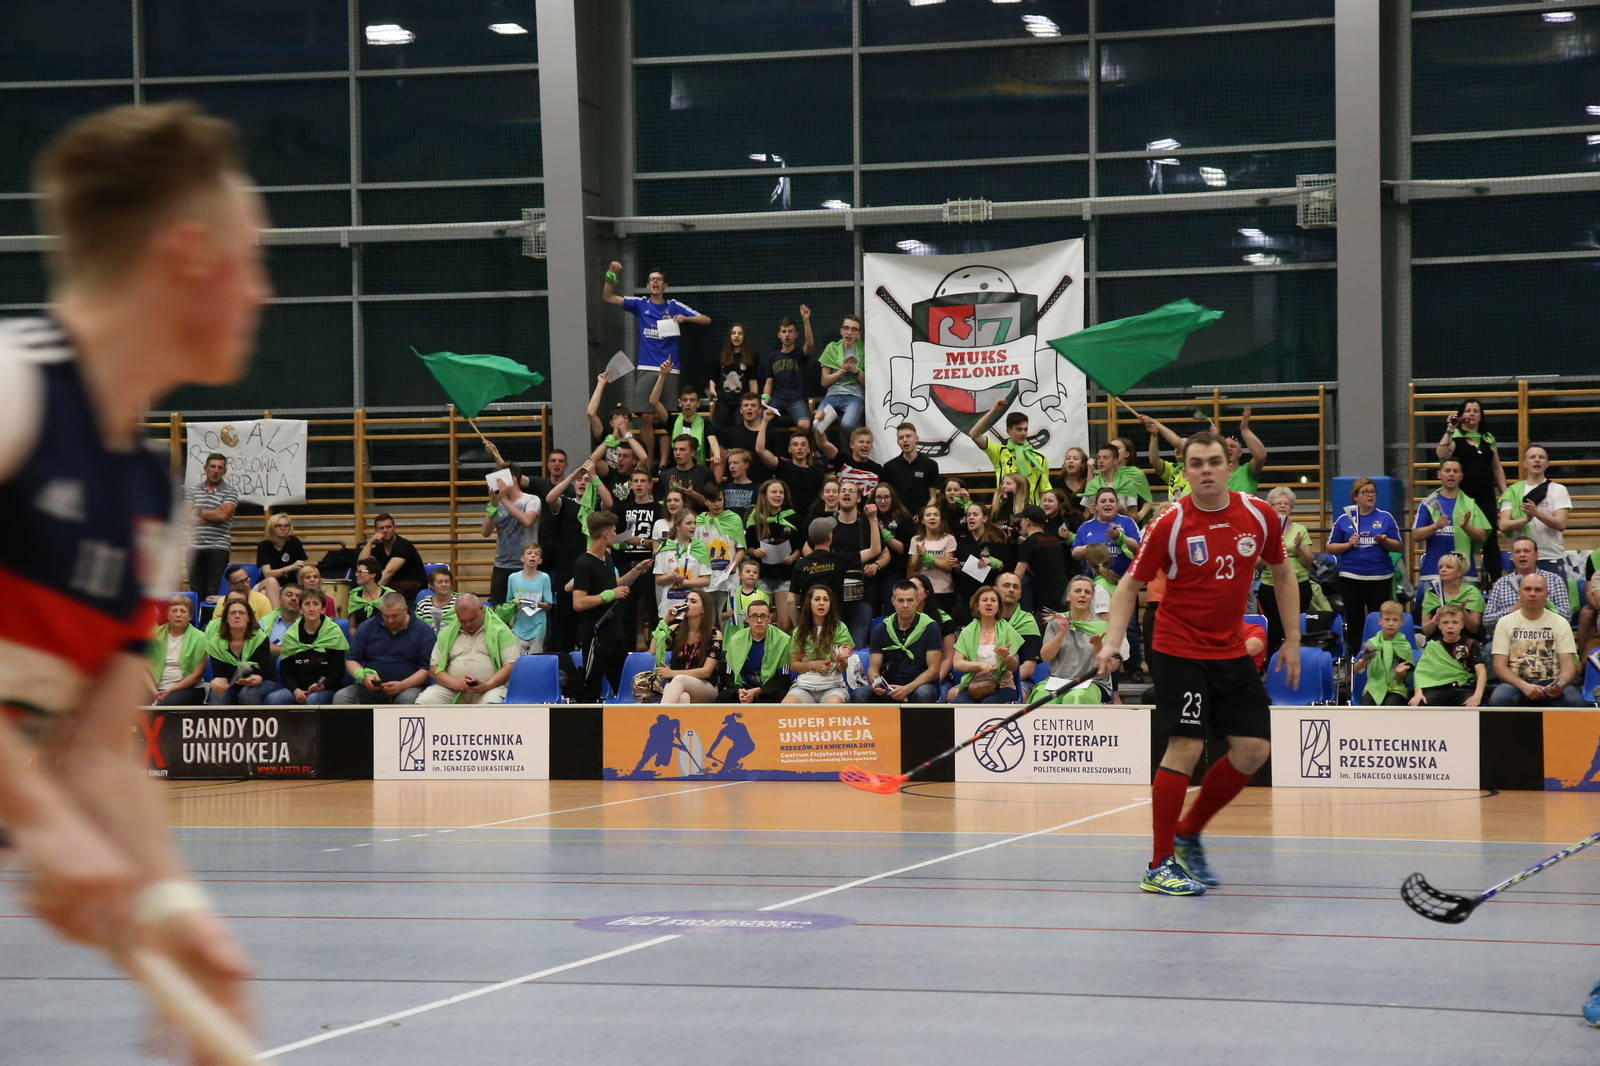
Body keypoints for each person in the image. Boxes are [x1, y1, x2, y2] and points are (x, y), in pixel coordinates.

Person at [0, 101, 262, 1045]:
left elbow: (96, 751)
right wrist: (39, 815)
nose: (262, 294)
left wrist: (172, 908)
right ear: (188, 253)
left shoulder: (153, 501)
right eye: (253, 259)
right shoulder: (14, 388)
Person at [1095, 431, 1298, 897]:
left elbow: (1284, 574)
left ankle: (1188, 832)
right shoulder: (1169, 522)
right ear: (1184, 472)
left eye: (1214, 462)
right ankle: (1159, 863)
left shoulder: (1260, 515)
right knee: (1185, 745)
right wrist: (1111, 643)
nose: (1206, 470)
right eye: (1196, 463)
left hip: (1229, 647)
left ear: (1229, 466)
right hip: (1177, 645)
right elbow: (1129, 585)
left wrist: (1292, 638)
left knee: (1253, 749)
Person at [600, 262, 710, 419]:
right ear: (647, 285)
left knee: (668, 416)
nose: (655, 282)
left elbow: (706, 320)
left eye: (659, 279)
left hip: (670, 368)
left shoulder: (674, 306)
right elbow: (608, 297)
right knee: (646, 416)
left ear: (665, 285)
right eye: (652, 279)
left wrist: (685, 318)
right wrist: (611, 273)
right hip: (647, 366)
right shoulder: (640, 304)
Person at [571, 511, 655, 703]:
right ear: (606, 533)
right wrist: (610, 595)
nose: (617, 535)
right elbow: (579, 602)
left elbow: (614, 585)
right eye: (615, 531)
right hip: (595, 633)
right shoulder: (584, 563)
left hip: (614, 632)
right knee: (591, 687)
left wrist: (635, 571)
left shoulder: (607, 558)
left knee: (624, 684)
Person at [1325, 477, 1403, 657]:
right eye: (1365, 492)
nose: (1370, 495)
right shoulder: (1344, 519)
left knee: (1379, 621)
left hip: (1379, 578)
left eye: (1373, 492)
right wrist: (1348, 545)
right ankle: (1354, 660)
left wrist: (1384, 541)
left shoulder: (1385, 517)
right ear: (1355, 496)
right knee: (1355, 621)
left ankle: (1380, 657)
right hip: (1351, 578)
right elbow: (1330, 547)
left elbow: (1397, 545)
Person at [1435, 398, 1506, 582]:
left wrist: (1505, 496)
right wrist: (1450, 428)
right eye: (1468, 410)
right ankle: (1458, 581)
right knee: (1462, 538)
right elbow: (1441, 454)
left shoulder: (1488, 438)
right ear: (1461, 415)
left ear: (1481, 416)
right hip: (1462, 499)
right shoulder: (1455, 436)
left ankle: (1496, 584)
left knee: (1491, 542)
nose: (1472, 414)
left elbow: (1497, 468)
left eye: (1476, 411)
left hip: (1486, 497)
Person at [1488, 571, 1582, 706]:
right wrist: (1524, 686)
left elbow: (1568, 668)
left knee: (1574, 699)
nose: (1532, 594)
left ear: (1547, 594)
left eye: (1538, 590)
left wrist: (1559, 685)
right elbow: (1499, 666)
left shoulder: (1561, 623)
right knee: (1499, 697)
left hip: (1552, 682)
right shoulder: (1505, 622)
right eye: (1527, 589)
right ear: (1520, 592)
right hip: (1516, 684)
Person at [792, 514, 882, 648]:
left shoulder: (800, 564)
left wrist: (798, 626)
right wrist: (873, 519)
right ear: (830, 537)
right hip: (833, 626)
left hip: (809, 627)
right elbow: (875, 550)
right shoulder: (838, 560)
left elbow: (790, 600)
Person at [334, 592, 435, 704]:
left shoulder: (423, 630)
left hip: (409, 687)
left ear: (405, 610)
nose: (390, 620)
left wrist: (403, 685)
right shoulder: (367, 627)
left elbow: (427, 669)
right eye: (386, 616)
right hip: (372, 688)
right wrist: (364, 677)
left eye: (395, 616)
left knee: (408, 699)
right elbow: (352, 660)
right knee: (342, 697)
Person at [417, 594, 515, 705]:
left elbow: (510, 665)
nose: (468, 624)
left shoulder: (501, 631)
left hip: (490, 688)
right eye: (463, 621)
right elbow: (434, 669)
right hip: (452, 689)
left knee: (491, 703)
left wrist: (488, 685)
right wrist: (454, 683)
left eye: (472, 619)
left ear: (481, 609)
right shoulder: (447, 634)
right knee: (425, 700)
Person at [854, 581, 942, 704]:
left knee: (924, 693)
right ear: (893, 601)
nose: (905, 605)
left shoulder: (930, 627)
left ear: (917, 601)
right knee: (859, 694)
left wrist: (907, 689)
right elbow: (873, 668)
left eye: (910, 600)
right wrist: (876, 683)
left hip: (918, 686)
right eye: (900, 600)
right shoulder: (881, 628)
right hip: (889, 687)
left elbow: (934, 670)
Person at [1410, 457, 1487, 590]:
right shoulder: (1428, 503)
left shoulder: (1470, 504)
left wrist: (1466, 527)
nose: (1451, 474)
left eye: (1455, 471)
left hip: (1464, 574)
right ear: (1439, 474)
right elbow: (1416, 535)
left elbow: (1482, 536)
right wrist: (1435, 526)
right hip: (1433, 573)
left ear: (1461, 476)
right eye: (1447, 471)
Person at [1497, 443, 1571, 581]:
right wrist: (1526, 519)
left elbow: (1561, 524)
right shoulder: (1513, 491)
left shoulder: (1558, 489)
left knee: (1555, 596)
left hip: (1550, 558)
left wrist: (1536, 513)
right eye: (1532, 457)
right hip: (1520, 559)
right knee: (1518, 596)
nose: (1537, 460)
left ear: (1547, 464)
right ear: (1524, 463)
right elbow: (1503, 525)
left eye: (1541, 457)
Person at [1259, 486, 1316, 657]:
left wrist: (1298, 548)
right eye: (1279, 503)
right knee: (1275, 628)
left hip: (1299, 584)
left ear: (1292, 507)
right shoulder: (1264, 530)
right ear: (1271, 507)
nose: (1283, 506)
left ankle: (1296, 662)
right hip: (1270, 585)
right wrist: (1272, 549)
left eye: (1287, 503)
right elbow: (1256, 563)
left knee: (1295, 628)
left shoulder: (1300, 530)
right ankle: (1273, 664)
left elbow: (1308, 562)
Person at [1038, 576, 1115, 704]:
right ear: (1068, 596)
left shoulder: (1102, 626)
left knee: (1075, 697)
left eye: (1087, 592)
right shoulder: (1056, 622)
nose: (1082, 595)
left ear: (1092, 598)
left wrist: (1097, 645)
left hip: (1092, 682)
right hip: (1057, 681)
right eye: (1078, 591)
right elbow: (1045, 657)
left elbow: (1104, 666)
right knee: (1040, 696)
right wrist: (1061, 633)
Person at [269, 593, 346, 706]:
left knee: (313, 699)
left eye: (316, 604)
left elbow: (338, 670)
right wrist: (296, 690)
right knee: (274, 699)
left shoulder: (334, 633)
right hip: (298, 689)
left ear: (323, 609)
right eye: (307, 604)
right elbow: (285, 671)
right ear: (301, 609)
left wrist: (322, 685)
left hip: (327, 688)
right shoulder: (291, 634)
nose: (311, 608)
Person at [1483, 536, 1571, 634]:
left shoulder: (1554, 580)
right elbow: (1487, 621)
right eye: (1517, 552)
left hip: (1546, 634)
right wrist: (1511, 610)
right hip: (1511, 634)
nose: (1522, 555)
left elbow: (1567, 616)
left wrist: (1545, 606)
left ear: (1536, 556)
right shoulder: (1501, 583)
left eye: (1526, 551)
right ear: (1512, 557)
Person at [783, 584, 855, 704]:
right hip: (804, 687)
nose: (821, 603)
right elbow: (794, 666)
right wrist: (812, 664)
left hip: (832, 687)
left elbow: (842, 668)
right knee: (787, 705)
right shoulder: (799, 631)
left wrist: (841, 660)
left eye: (825, 600)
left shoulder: (840, 628)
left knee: (833, 704)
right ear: (809, 603)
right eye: (817, 599)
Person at [745, 479, 802, 631]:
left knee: (785, 624)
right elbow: (746, 547)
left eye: (781, 492)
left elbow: (800, 546)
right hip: (762, 576)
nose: (778, 495)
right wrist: (754, 551)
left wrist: (794, 557)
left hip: (785, 576)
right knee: (763, 622)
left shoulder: (793, 518)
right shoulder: (754, 518)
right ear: (764, 495)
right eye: (774, 492)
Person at [481, 461, 540, 606]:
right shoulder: (498, 504)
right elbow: (485, 532)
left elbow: (527, 520)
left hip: (525, 565)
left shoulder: (531, 500)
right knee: (499, 610)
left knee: (524, 609)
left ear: (512, 479)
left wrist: (504, 500)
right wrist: (493, 506)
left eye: (499, 480)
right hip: (501, 565)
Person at [649, 590, 723, 705]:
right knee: (683, 698)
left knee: (679, 679)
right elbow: (653, 650)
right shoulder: (675, 629)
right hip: (678, 685)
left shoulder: (714, 634)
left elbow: (706, 672)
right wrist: (665, 620)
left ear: (703, 609)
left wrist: (672, 673)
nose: (687, 604)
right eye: (686, 601)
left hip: (706, 686)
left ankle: (660, 715)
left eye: (693, 601)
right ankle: (669, 716)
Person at [952, 586, 1023, 704]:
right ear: (977, 606)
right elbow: (957, 664)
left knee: (987, 703)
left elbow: (1014, 667)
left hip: (1003, 686)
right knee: (962, 704)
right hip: (975, 685)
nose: (989, 603)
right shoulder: (968, 632)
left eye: (993, 600)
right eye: (984, 600)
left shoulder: (1008, 630)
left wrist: (1007, 656)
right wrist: (979, 665)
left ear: (998, 607)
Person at [204, 597, 281, 706]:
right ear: (226, 619)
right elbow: (220, 676)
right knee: (218, 694)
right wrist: (217, 683)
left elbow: (259, 674)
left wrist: (254, 679)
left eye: (241, 613)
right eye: (233, 613)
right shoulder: (216, 643)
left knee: (247, 693)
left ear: (248, 618)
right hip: (231, 685)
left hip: (263, 682)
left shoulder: (260, 638)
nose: (237, 616)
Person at [967, 403, 1049, 504]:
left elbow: (1044, 490)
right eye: (1019, 429)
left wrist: (1040, 512)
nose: (1023, 433)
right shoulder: (1000, 452)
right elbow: (974, 434)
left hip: (1030, 510)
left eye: (1026, 429)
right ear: (1008, 431)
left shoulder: (1039, 457)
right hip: (1005, 508)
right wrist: (994, 410)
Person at [186, 452, 238, 603]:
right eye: (213, 466)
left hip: (218, 547)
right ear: (205, 468)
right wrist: (214, 513)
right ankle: (197, 619)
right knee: (196, 592)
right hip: (193, 547)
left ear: (224, 471)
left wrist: (197, 510)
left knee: (212, 593)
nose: (216, 470)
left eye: (220, 468)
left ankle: (211, 619)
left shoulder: (230, 491)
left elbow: (223, 516)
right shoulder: (192, 490)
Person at [1409, 604, 1486, 707]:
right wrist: (1418, 694)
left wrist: (1477, 696)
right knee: (1420, 703)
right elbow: (1421, 673)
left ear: (1462, 625)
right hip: (1440, 688)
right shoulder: (1433, 646)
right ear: (1439, 625)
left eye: (1455, 622)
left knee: (1471, 705)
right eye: (1445, 622)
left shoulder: (1471, 644)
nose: (1450, 626)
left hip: (1464, 688)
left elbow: (1481, 672)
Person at [754, 407, 826, 517]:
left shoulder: (816, 472)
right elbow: (760, 450)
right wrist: (765, 421)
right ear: (789, 449)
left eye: (803, 445)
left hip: (809, 518)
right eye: (795, 445)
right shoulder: (782, 465)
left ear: (808, 449)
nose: (800, 448)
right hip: (786, 518)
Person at [717, 599, 792, 704]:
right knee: (724, 697)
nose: (759, 620)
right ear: (748, 619)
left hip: (769, 690)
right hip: (744, 688)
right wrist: (740, 691)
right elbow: (729, 677)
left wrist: (756, 691)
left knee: (781, 696)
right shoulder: (736, 640)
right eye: (754, 616)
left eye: (763, 616)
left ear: (769, 619)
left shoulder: (783, 640)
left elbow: (783, 680)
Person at [648, 364, 719, 470]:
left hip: (699, 470)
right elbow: (654, 401)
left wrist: (717, 454)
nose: (688, 403)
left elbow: (713, 441)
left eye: (692, 400)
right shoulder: (673, 421)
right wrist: (662, 376)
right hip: (676, 471)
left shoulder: (706, 424)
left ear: (698, 404)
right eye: (685, 400)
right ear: (680, 403)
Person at [759, 306, 815, 435]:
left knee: (805, 425)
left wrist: (806, 320)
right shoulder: (772, 357)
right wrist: (765, 400)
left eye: (790, 331)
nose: (787, 334)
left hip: (797, 399)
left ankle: (798, 446)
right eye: (784, 331)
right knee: (759, 422)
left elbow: (810, 344)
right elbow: (769, 382)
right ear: (779, 335)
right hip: (777, 398)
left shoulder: (800, 353)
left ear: (796, 335)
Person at [695, 484, 745, 624]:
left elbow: (741, 548)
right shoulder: (699, 522)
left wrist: (734, 564)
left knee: (731, 621)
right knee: (708, 623)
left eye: (720, 499)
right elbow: (695, 551)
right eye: (713, 501)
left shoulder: (734, 519)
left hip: (729, 580)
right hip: (707, 580)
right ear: (705, 501)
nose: (717, 504)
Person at [146, 596, 209, 707]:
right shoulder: (154, 635)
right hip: (155, 687)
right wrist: (154, 691)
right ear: (167, 615)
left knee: (169, 702)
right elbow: (144, 668)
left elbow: (197, 675)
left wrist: (169, 690)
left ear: (190, 616)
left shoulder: (200, 638)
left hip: (188, 688)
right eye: (174, 611)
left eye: (183, 611)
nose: (178, 615)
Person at [655, 507, 713, 620]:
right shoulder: (665, 547)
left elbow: (706, 580)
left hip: (694, 610)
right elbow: (658, 580)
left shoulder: (700, 548)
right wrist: (671, 577)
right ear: (678, 525)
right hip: (669, 608)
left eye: (694, 523)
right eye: (688, 523)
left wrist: (685, 582)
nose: (693, 526)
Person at [1352, 601, 1414, 706]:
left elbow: (1402, 679)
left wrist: (1399, 674)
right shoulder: (1372, 644)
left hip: (1396, 688)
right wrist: (1359, 665)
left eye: (1395, 620)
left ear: (1401, 622)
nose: (1391, 623)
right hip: (1373, 688)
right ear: (1380, 621)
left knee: (1390, 705)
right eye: (1387, 619)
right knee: (1366, 707)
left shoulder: (1404, 646)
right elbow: (1358, 669)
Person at [814, 312, 866, 437]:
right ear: (841, 331)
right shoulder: (831, 348)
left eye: (854, 329)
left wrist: (855, 370)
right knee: (816, 426)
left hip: (854, 396)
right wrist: (842, 371)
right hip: (832, 395)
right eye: (846, 328)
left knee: (847, 424)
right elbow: (824, 382)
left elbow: (868, 384)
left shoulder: (865, 349)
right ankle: (828, 450)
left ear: (858, 333)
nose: (849, 332)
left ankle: (857, 448)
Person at [358, 512, 429, 601]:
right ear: (376, 531)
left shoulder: (403, 545)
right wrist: (370, 542)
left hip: (414, 586)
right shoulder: (379, 548)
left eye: (388, 527)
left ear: (394, 528)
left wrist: (373, 592)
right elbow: (361, 564)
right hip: (394, 585)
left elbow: (389, 572)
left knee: (383, 593)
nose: (385, 530)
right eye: (381, 528)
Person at [1072, 488, 1139, 579]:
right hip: (1093, 579)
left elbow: (1138, 547)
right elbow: (1075, 554)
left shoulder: (1127, 522)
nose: (1108, 504)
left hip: (1123, 578)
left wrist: (1120, 537)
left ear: (1117, 505)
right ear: (1096, 506)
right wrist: (1093, 546)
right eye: (1103, 501)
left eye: (1111, 501)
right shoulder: (1085, 526)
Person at [1014, 504, 1068, 615]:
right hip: (1063, 595)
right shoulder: (1054, 540)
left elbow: (1017, 576)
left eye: (1022, 520)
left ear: (1028, 522)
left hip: (1044, 599)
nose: (1020, 523)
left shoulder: (1029, 543)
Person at [908, 503, 959, 620]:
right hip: (922, 591)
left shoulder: (949, 539)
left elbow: (947, 566)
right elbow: (914, 568)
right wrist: (920, 556)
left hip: (943, 590)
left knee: (942, 623)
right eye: (928, 515)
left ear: (941, 519)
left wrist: (927, 556)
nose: (932, 517)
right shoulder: (915, 540)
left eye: (936, 515)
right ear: (922, 520)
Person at [994, 572, 1043, 692]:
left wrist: (1008, 680)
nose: (1011, 590)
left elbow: (1029, 666)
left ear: (1020, 594)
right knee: (953, 694)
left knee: (1016, 693)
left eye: (1015, 587)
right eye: (1006, 585)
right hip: (984, 678)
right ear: (995, 590)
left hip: (1019, 680)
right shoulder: (984, 619)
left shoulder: (1027, 621)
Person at [1418, 551, 1485, 638]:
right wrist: (1436, 618)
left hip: (1466, 640)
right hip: (1437, 640)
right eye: (1440, 567)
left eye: (1449, 567)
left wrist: (1463, 611)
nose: (1443, 570)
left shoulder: (1472, 592)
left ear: (1459, 572)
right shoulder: (1431, 593)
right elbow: (1426, 631)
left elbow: (1474, 628)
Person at [707, 323, 759, 433]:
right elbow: (713, 379)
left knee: (742, 429)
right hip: (724, 400)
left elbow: (753, 381)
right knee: (716, 427)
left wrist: (753, 399)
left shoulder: (751, 357)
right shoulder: (720, 356)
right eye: (734, 333)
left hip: (741, 401)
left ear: (744, 337)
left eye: (740, 334)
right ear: (729, 337)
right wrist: (712, 390)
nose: (736, 336)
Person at [1082, 441, 1152, 522]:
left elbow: (1134, 518)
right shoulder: (1092, 485)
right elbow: (1085, 516)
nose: (1100, 461)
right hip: (1097, 528)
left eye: (1105, 458)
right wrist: (1091, 513)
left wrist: (1122, 510)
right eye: (1099, 458)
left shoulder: (1127, 484)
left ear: (1115, 461)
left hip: (1121, 528)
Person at [881, 422, 942, 512]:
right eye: (901, 438)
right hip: (897, 516)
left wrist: (924, 514)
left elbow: (932, 497)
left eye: (908, 436)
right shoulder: (889, 467)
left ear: (916, 439)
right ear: (898, 442)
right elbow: (885, 497)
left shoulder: (931, 465)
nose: (905, 440)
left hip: (921, 517)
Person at [505, 544, 554, 656]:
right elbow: (509, 602)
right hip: (518, 626)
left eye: (536, 554)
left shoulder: (544, 578)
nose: (533, 556)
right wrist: (515, 604)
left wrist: (537, 604)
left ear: (540, 560)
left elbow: (549, 605)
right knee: (516, 659)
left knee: (535, 659)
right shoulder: (513, 578)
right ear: (522, 558)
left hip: (538, 626)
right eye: (529, 553)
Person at [254, 511, 307, 608]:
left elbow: (302, 570)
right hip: (266, 583)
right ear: (272, 528)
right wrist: (290, 568)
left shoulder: (294, 542)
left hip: (288, 586)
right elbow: (267, 574)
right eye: (278, 526)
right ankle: (277, 614)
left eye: (286, 526)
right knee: (271, 582)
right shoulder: (264, 545)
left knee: (264, 594)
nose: (283, 528)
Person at [818, 425, 883, 499]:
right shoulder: (841, 460)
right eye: (861, 442)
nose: (865, 445)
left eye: (868, 442)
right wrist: (820, 423)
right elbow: (823, 443)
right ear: (852, 445)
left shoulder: (877, 468)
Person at [654, 434, 716, 510]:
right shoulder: (665, 475)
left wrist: (694, 495)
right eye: (675, 449)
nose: (677, 453)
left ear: (692, 453)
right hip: (674, 516)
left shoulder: (705, 473)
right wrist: (673, 494)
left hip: (700, 516)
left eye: (682, 449)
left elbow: (714, 503)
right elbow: (658, 505)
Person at [345, 562, 393, 631]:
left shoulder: (389, 595)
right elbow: (352, 627)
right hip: (361, 636)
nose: (356, 575)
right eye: (357, 572)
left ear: (373, 574)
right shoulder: (354, 596)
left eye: (360, 572)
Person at [727, 558, 771, 630]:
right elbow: (722, 615)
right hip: (737, 631)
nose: (751, 574)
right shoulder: (733, 594)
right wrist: (728, 614)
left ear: (758, 577)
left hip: (756, 630)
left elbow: (769, 614)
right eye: (748, 571)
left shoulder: (762, 595)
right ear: (740, 575)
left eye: (755, 572)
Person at [413, 564, 459, 633]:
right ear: (432, 585)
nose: (444, 585)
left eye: (447, 581)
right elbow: (417, 629)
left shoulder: (460, 602)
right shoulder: (423, 605)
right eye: (440, 582)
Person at [720, 448, 758, 519]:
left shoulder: (757, 488)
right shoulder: (724, 488)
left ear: (746, 465)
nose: (731, 466)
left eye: (735, 463)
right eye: (729, 463)